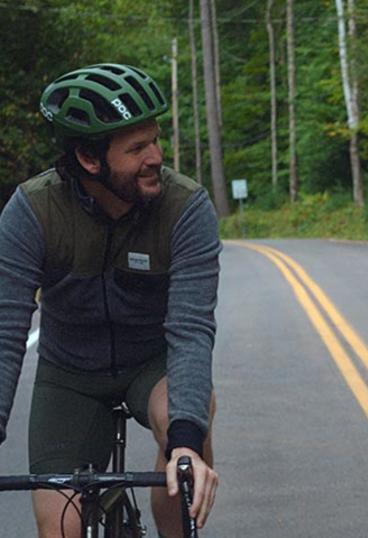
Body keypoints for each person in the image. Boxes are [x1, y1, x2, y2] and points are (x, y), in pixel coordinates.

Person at [0, 63, 221, 537]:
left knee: (181, 456)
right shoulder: (31, 212)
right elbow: (5, 329)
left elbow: (191, 328)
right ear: (89, 158)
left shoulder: (187, 207)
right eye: (137, 148)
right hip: (70, 376)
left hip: (153, 365)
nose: (157, 156)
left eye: (155, 140)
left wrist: (186, 441)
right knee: (60, 526)